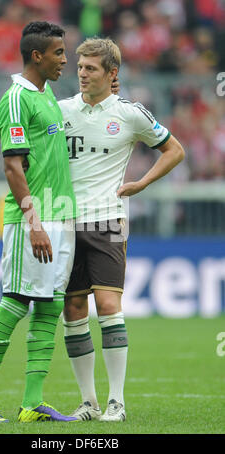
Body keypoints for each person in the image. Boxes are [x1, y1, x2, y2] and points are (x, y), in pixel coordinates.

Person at [58, 37, 185, 421]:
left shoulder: (130, 114)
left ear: (111, 73)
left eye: (90, 68)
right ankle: (88, 401)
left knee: (109, 305)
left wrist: (142, 183)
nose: (81, 73)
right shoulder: (59, 110)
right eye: (79, 67)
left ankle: (117, 401)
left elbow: (174, 150)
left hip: (110, 221)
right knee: (74, 308)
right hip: (65, 222)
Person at [0, 21, 79, 423]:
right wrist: (34, 223)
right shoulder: (15, 99)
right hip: (31, 219)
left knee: (50, 306)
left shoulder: (47, 94)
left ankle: (32, 402)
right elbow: (13, 166)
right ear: (37, 55)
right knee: (15, 302)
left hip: (60, 216)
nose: (65, 60)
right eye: (59, 53)